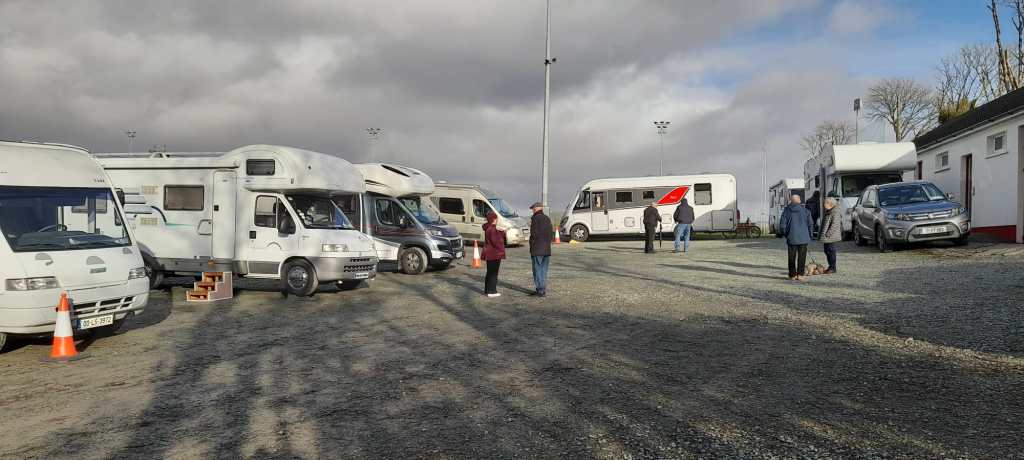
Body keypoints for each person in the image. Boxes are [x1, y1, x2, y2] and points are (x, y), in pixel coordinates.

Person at [779, 194, 813, 281]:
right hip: (804, 238)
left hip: (792, 237)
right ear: (799, 201)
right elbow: (810, 225)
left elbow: (782, 226)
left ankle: (792, 275)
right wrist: (810, 235)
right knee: (802, 257)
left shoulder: (786, 211)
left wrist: (786, 234)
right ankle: (800, 275)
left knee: (791, 257)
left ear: (791, 201)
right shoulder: (806, 211)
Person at [528, 202, 553, 297]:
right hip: (546, 249)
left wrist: (531, 244)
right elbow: (551, 234)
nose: (532, 210)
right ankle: (543, 289)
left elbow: (534, 234)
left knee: (537, 270)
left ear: (536, 209)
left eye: (533, 209)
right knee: (544, 270)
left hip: (537, 249)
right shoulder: (547, 218)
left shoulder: (535, 219)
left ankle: (540, 290)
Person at [481, 211, 506, 297]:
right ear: (493, 219)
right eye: (496, 219)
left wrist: (501, 232)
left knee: (489, 272)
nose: (497, 220)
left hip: (490, 253)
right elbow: (497, 242)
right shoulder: (492, 229)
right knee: (493, 273)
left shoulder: (488, 227)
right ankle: (492, 291)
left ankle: (487, 290)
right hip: (494, 253)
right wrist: (503, 233)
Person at [819, 196, 841, 274]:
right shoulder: (829, 211)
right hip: (827, 236)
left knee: (831, 251)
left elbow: (835, 225)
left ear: (830, 204)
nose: (823, 204)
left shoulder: (835, 212)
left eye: (825, 203)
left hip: (831, 236)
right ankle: (830, 266)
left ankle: (832, 267)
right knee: (827, 250)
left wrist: (828, 234)